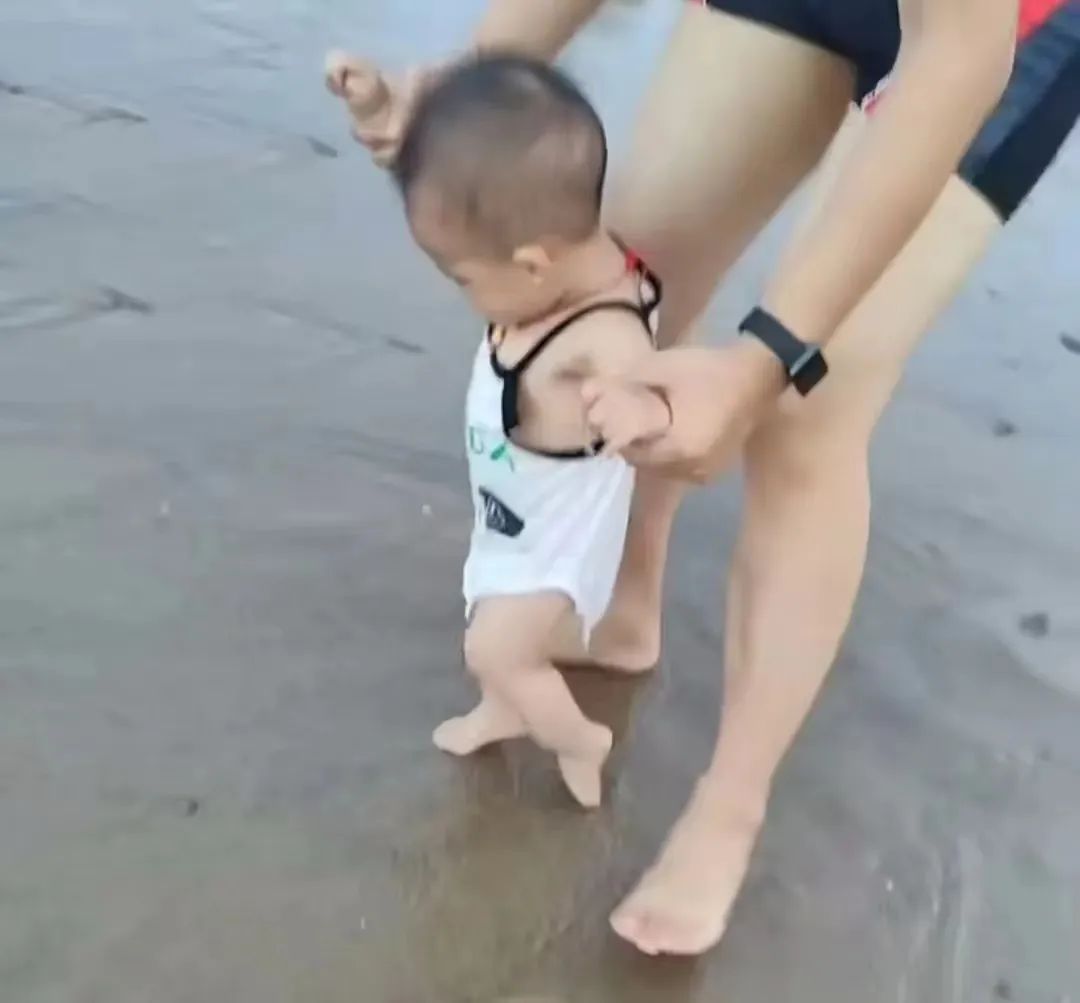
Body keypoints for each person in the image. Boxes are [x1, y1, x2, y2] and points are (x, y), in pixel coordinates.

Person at [337, 0, 1080, 957]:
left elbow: (956, 59)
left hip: (996, 27)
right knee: (621, 280)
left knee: (812, 401)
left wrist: (769, 356)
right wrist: (465, 97)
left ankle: (730, 806)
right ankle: (625, 601)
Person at [368, 54, 671, 808]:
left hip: (555, 550)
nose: (462, 294)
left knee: (495, 648)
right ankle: (502, 712)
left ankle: (578, 739)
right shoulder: (557, 276)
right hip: (510, 520)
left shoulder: (601, 334)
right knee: (487, 623)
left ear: (534, 265)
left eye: (464, 278)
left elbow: (651, 387)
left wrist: (640, 410)